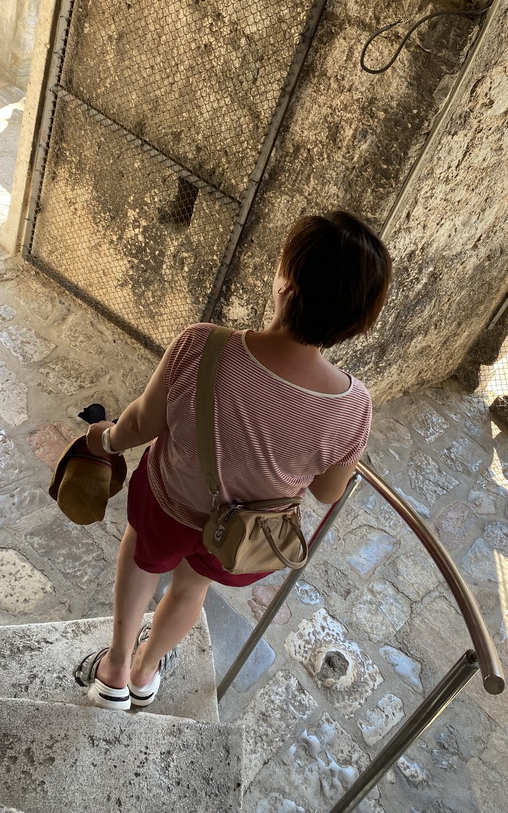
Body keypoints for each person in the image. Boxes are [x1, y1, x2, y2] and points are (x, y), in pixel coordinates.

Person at [76, 210, 391, 710]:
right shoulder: (353, 407)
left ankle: (114, 668)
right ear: (356, 321)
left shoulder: (203, 344)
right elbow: (328, 492)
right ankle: (146, 668)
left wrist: (104, 441)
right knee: (191, 588)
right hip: (242, 537)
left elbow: (141, 424)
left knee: (141, 558)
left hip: (167, 502)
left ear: (285, 282)